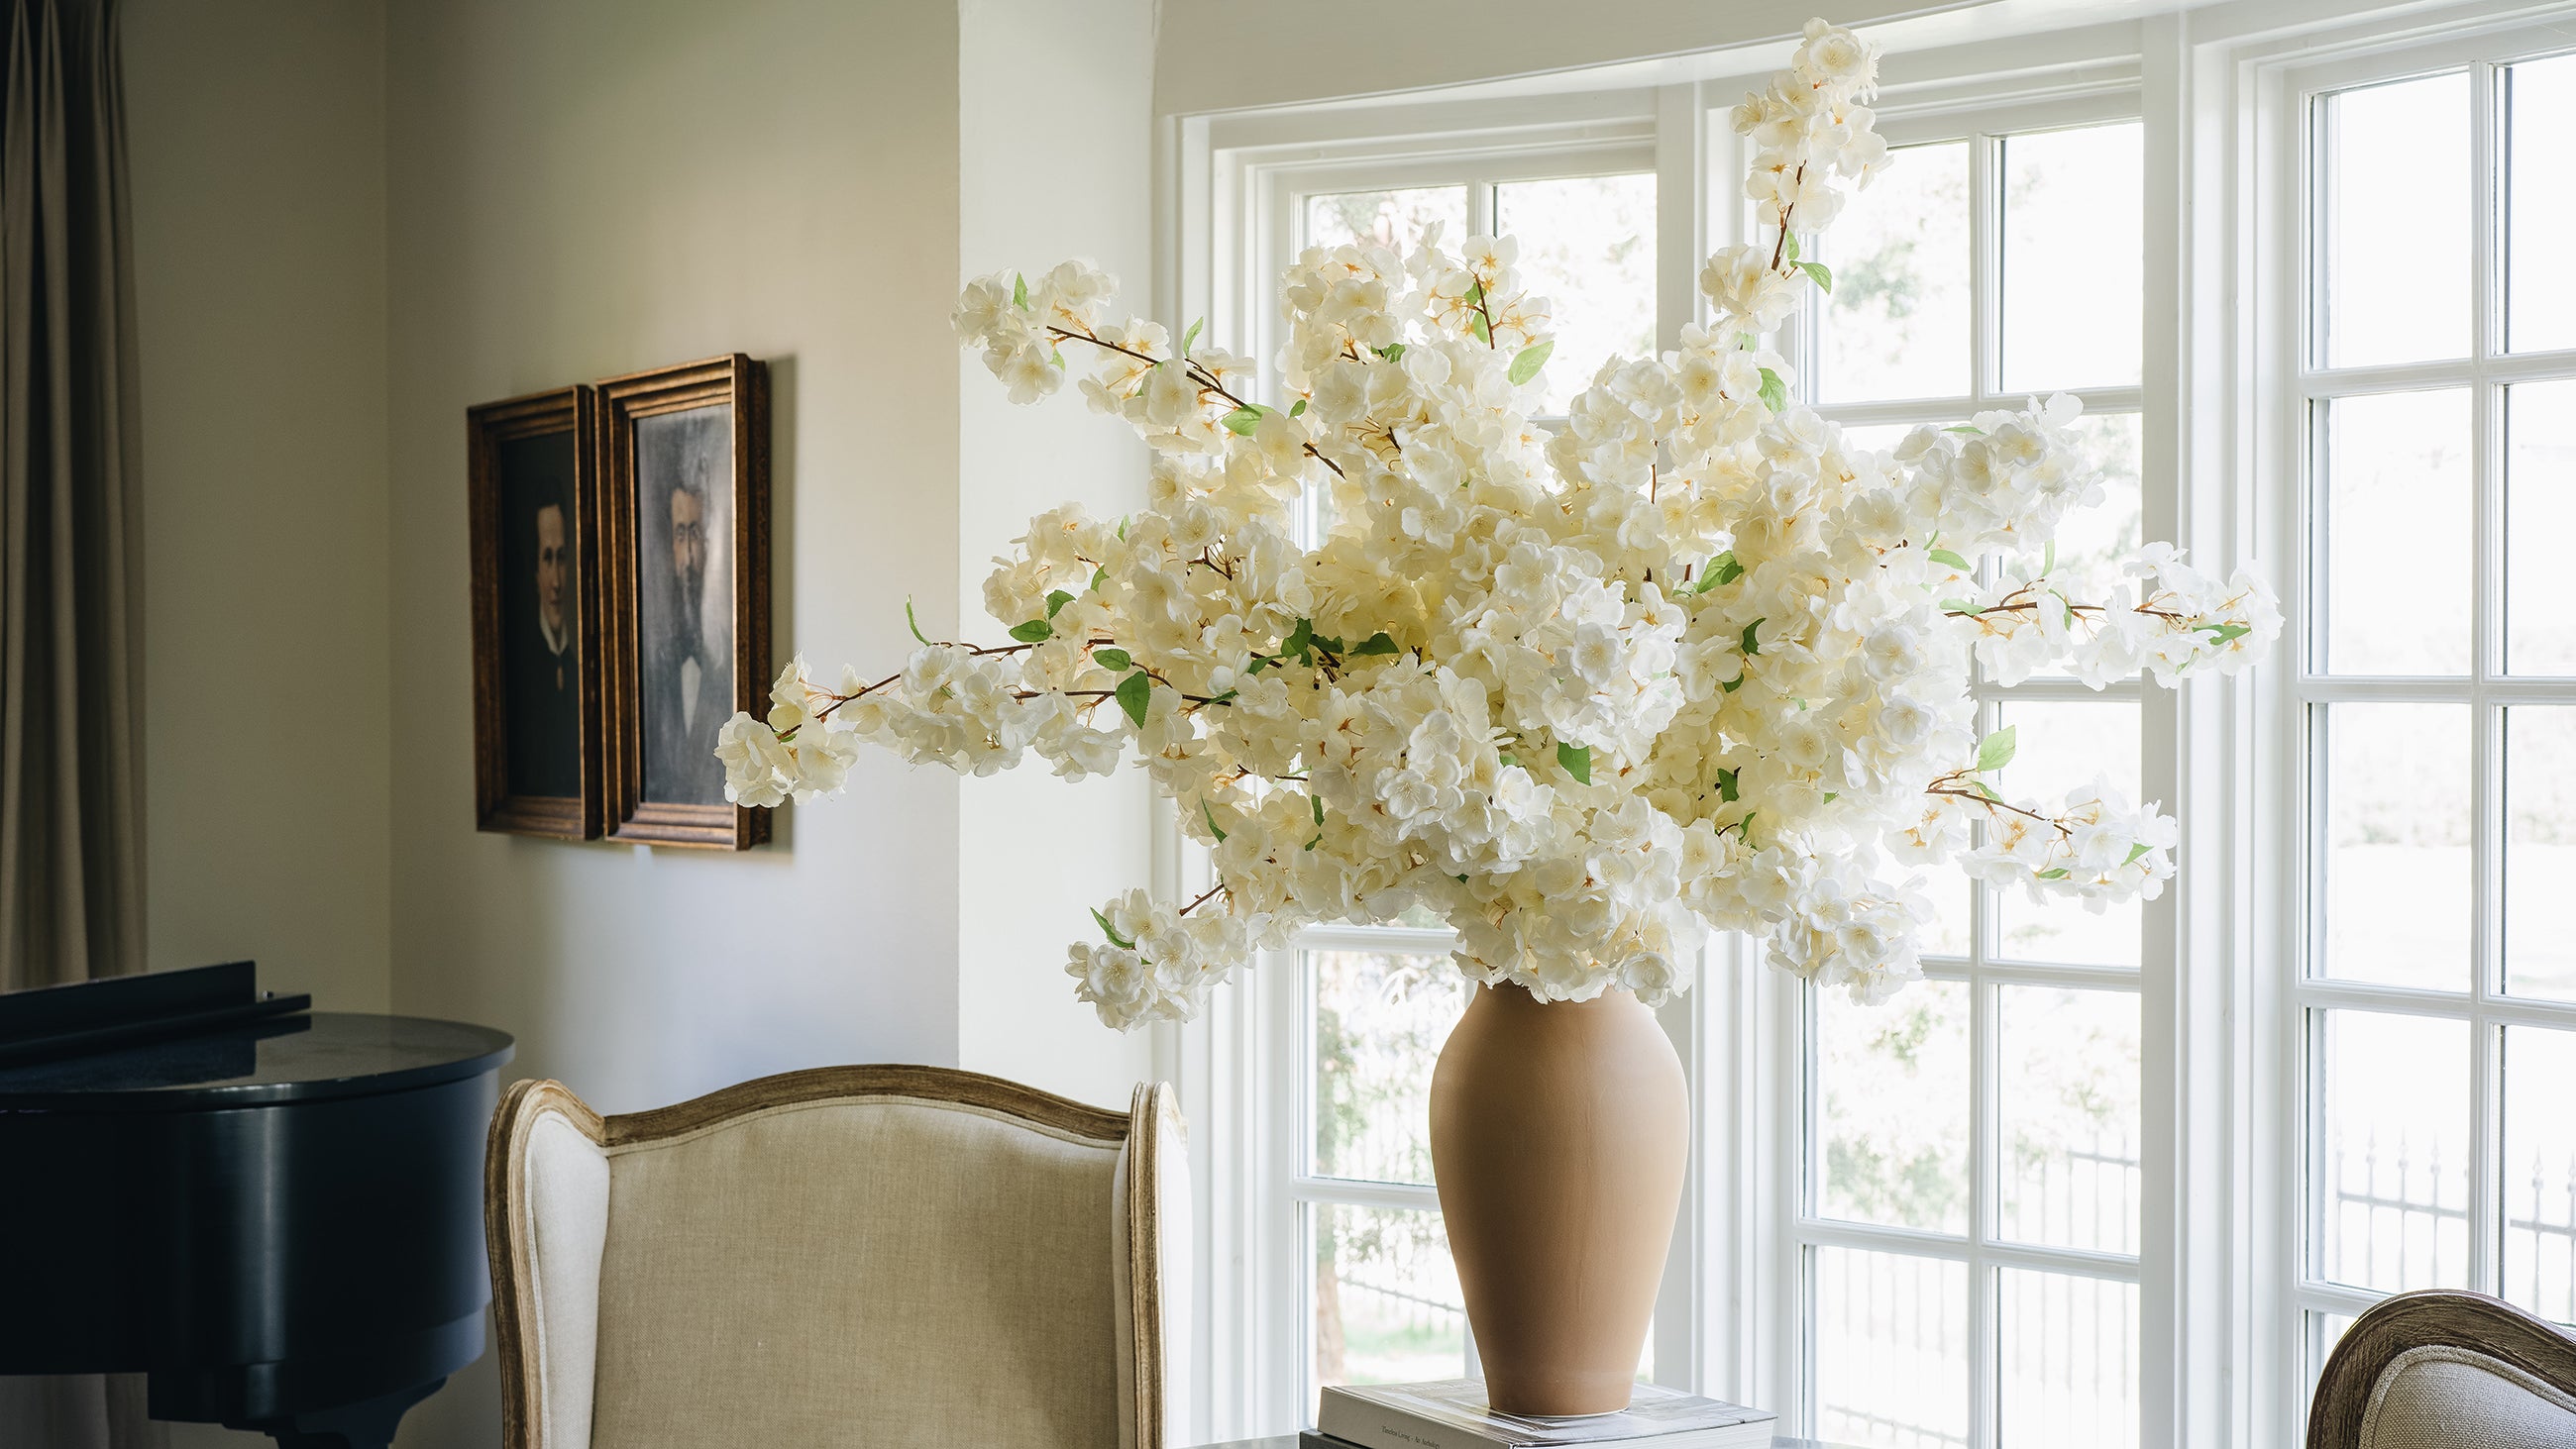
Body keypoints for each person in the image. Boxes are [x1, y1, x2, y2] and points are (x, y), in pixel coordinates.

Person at [644, 476, 728, 803]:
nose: (690, 554)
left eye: (696, 532)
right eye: (681, 534)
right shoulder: (655, 658)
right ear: (671, 545)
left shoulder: (728, 657)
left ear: (710, 542)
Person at [505, 480, 581, 798]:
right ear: (535, 573)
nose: (556, 581)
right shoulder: (520, 670)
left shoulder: (578, 667)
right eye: (547, 559)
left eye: (562, 558)